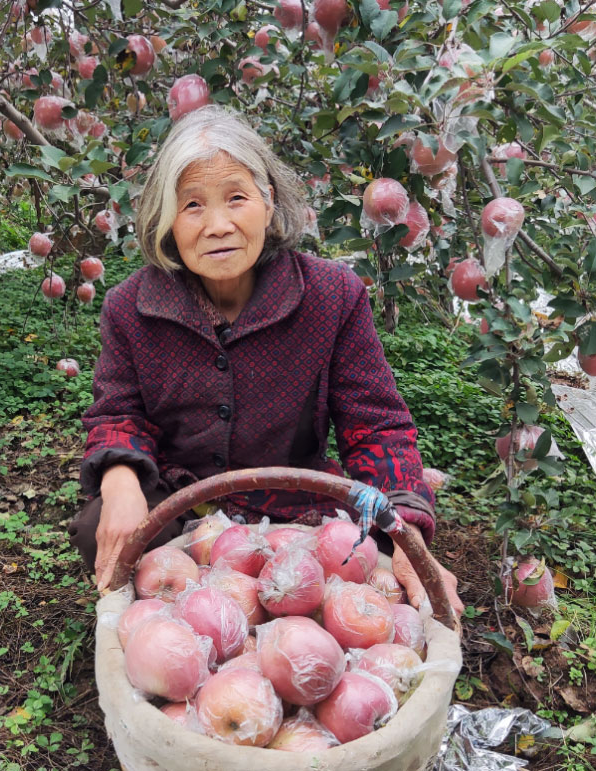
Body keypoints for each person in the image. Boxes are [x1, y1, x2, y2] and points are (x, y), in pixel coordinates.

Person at [68, 105, 463, 615]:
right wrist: (121, 481)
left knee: (367, 575)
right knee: (100, 527)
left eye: (237, 198)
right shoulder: (131, 307)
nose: (217, 225)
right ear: (165, 217)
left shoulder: (331, 296)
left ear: (268, 200)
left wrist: (407, 534)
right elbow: (118, 413)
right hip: (182, 496)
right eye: (191, 206)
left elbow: (376, 425)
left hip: (296, 502)